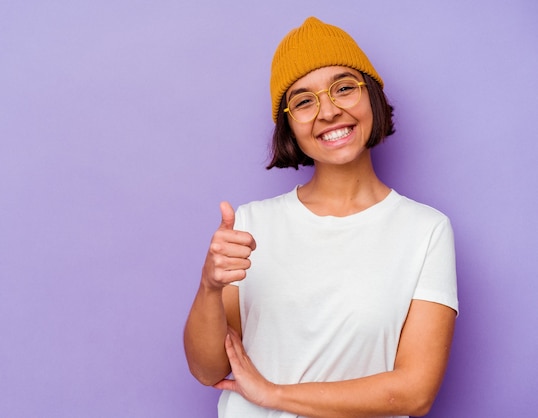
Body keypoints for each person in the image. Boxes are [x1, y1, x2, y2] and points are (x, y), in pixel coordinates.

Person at [183, 16, 458, 418]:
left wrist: (273, 395)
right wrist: (209, 284)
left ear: (372, 98)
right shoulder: (251, 224)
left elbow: (416, 393)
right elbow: (208, 370)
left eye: (344, 88)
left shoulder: (426, 231)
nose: (328, 111)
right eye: (304, 100)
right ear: (289, 127)